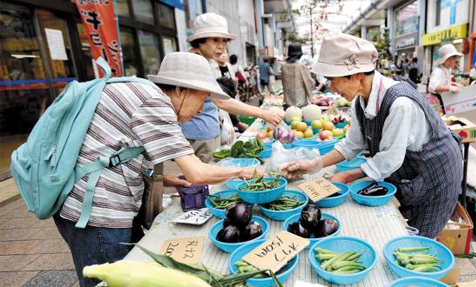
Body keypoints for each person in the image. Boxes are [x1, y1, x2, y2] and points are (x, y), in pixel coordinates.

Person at [55, 52, 262, 287]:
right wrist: (243, 172)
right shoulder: (154, 103)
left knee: (127, 270)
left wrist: (163, 178)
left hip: (93, 203)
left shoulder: (143, 93)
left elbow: (115, 151)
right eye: (202, 99)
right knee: (108, 279)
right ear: (180, 90)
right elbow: (197, 173)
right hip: (96, 212)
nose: (202, 110)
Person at [283, 34, 463, 239]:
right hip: (411, 170)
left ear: (357, 74)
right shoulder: (360, 102)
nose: (331, 88)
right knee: (404, 225)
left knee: (417, 241)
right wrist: (314, 164)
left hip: (436, 174)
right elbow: (351, 144)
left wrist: (347, 176)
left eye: (333, 80)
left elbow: (389, 159)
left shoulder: (399, 104)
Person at [182, 13, 282, 162]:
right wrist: (262, 113)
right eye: (215, 40)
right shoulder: (196, 63)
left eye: (225, 41)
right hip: (200, 133)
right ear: (200, 41)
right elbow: (221, 101)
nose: (222, 46)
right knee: (207, 181)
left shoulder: (201, 61)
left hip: (204, 130)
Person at [428, 44, 464, 113]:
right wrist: (449, 88)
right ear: (445, 60)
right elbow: (432, 87)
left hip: (443, 100)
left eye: (454, 59)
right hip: (436, 102)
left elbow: (444, 82)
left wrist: (455, 84)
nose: (453, 61)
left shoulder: (447, 70)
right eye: (451, 59)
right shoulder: (438, 71)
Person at [281, 42, 315, 107]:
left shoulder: (284, 66)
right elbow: (309, 82)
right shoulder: (301, 67)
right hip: (300, 102)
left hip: (288, 102)